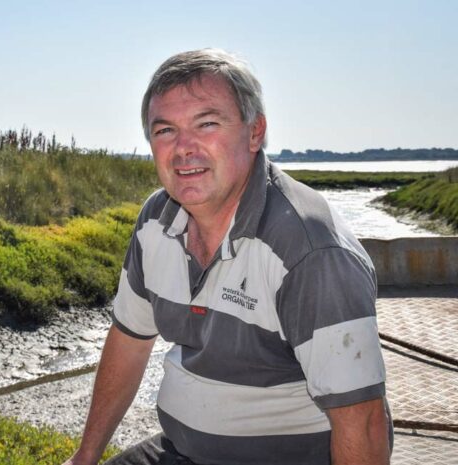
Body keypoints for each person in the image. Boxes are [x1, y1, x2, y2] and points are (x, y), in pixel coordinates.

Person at [63, 49, 392, 465]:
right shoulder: (155, 221)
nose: (184, 148)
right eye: (164, 131)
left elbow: (362, 422)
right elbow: (129, 342)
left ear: (255, 132)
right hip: (184, 451)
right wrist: (85, 457)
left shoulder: (310, 251)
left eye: (207, 124)